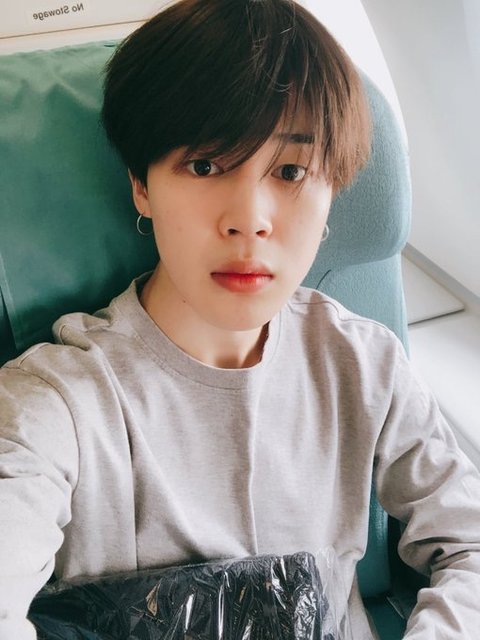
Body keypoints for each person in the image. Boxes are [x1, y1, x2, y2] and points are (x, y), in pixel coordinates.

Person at [0, 0, 479, 638]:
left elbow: (470, 541)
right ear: (142, 185)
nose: (249, 219)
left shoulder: (363, 365)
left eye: (290, 171)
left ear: (332, 192)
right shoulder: (57, 404)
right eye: (205, 166)